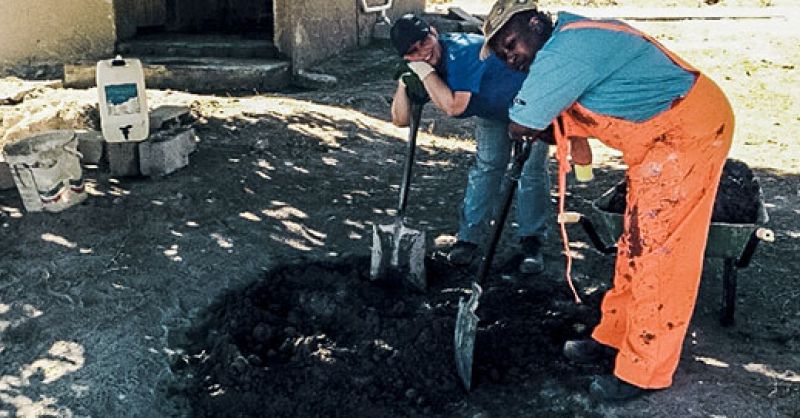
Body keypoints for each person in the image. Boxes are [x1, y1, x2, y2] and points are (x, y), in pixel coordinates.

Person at [481, 0, 734, 401]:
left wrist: (526, 125)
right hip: (658, 143)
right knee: (634, 246)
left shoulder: (565, 51)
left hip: (687, 134)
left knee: (661, 254)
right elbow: (550, 123)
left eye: (511, 44)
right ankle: (615, 337)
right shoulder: (565, 43)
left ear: (534, 22)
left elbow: (522, 123)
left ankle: (644, 370)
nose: (511, 58)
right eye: (502, 54)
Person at [389, 14, 552, 274]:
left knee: (530, 173)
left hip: (530, 102)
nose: (423, 51)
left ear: (433, 31)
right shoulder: (422, 65)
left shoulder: (462, 51)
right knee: (487, 168)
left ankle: (531, 243)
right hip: (492, 112)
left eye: (424, 40)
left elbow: (454, 106)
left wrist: (425, 72)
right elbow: (400, 119)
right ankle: (468, 240)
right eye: (412, 51)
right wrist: (404, 81)